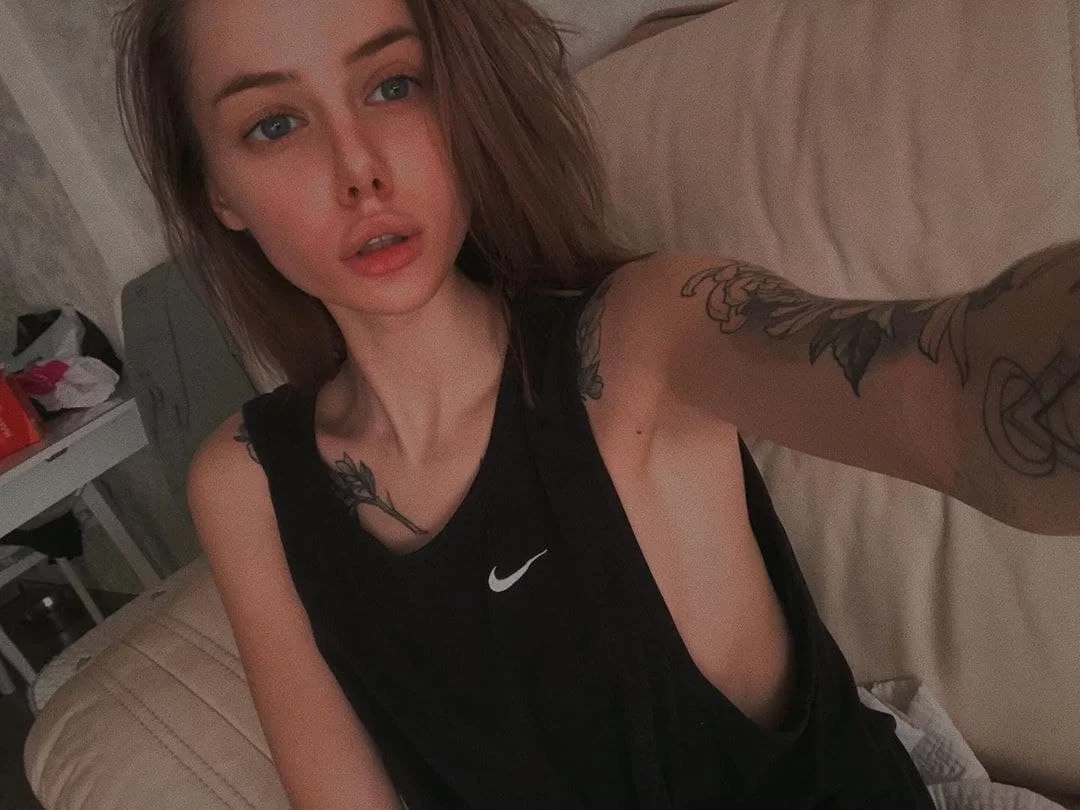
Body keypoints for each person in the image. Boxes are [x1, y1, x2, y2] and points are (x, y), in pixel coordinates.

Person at [113, 0, 1079, 807]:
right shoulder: (246, 481)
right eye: (274, 125)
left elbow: (953, 392)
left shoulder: (646, 337)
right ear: (218, 192)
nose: (358, 167)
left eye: (393, 84)